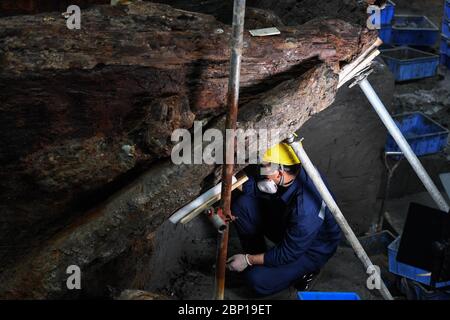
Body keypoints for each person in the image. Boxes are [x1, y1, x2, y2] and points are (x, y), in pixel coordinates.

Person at [227, 142, 342, 296]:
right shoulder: (294, 169)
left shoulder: (305, 210)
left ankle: (303, 272)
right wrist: (231, 187)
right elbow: (256, 185)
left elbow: (287, 253)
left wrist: (247, 260)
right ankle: (261, 258)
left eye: (265, 166)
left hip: (311, 250)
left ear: (279, 172)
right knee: (243, 206)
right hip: (289, 223)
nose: (262, 169)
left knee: (256, 280)